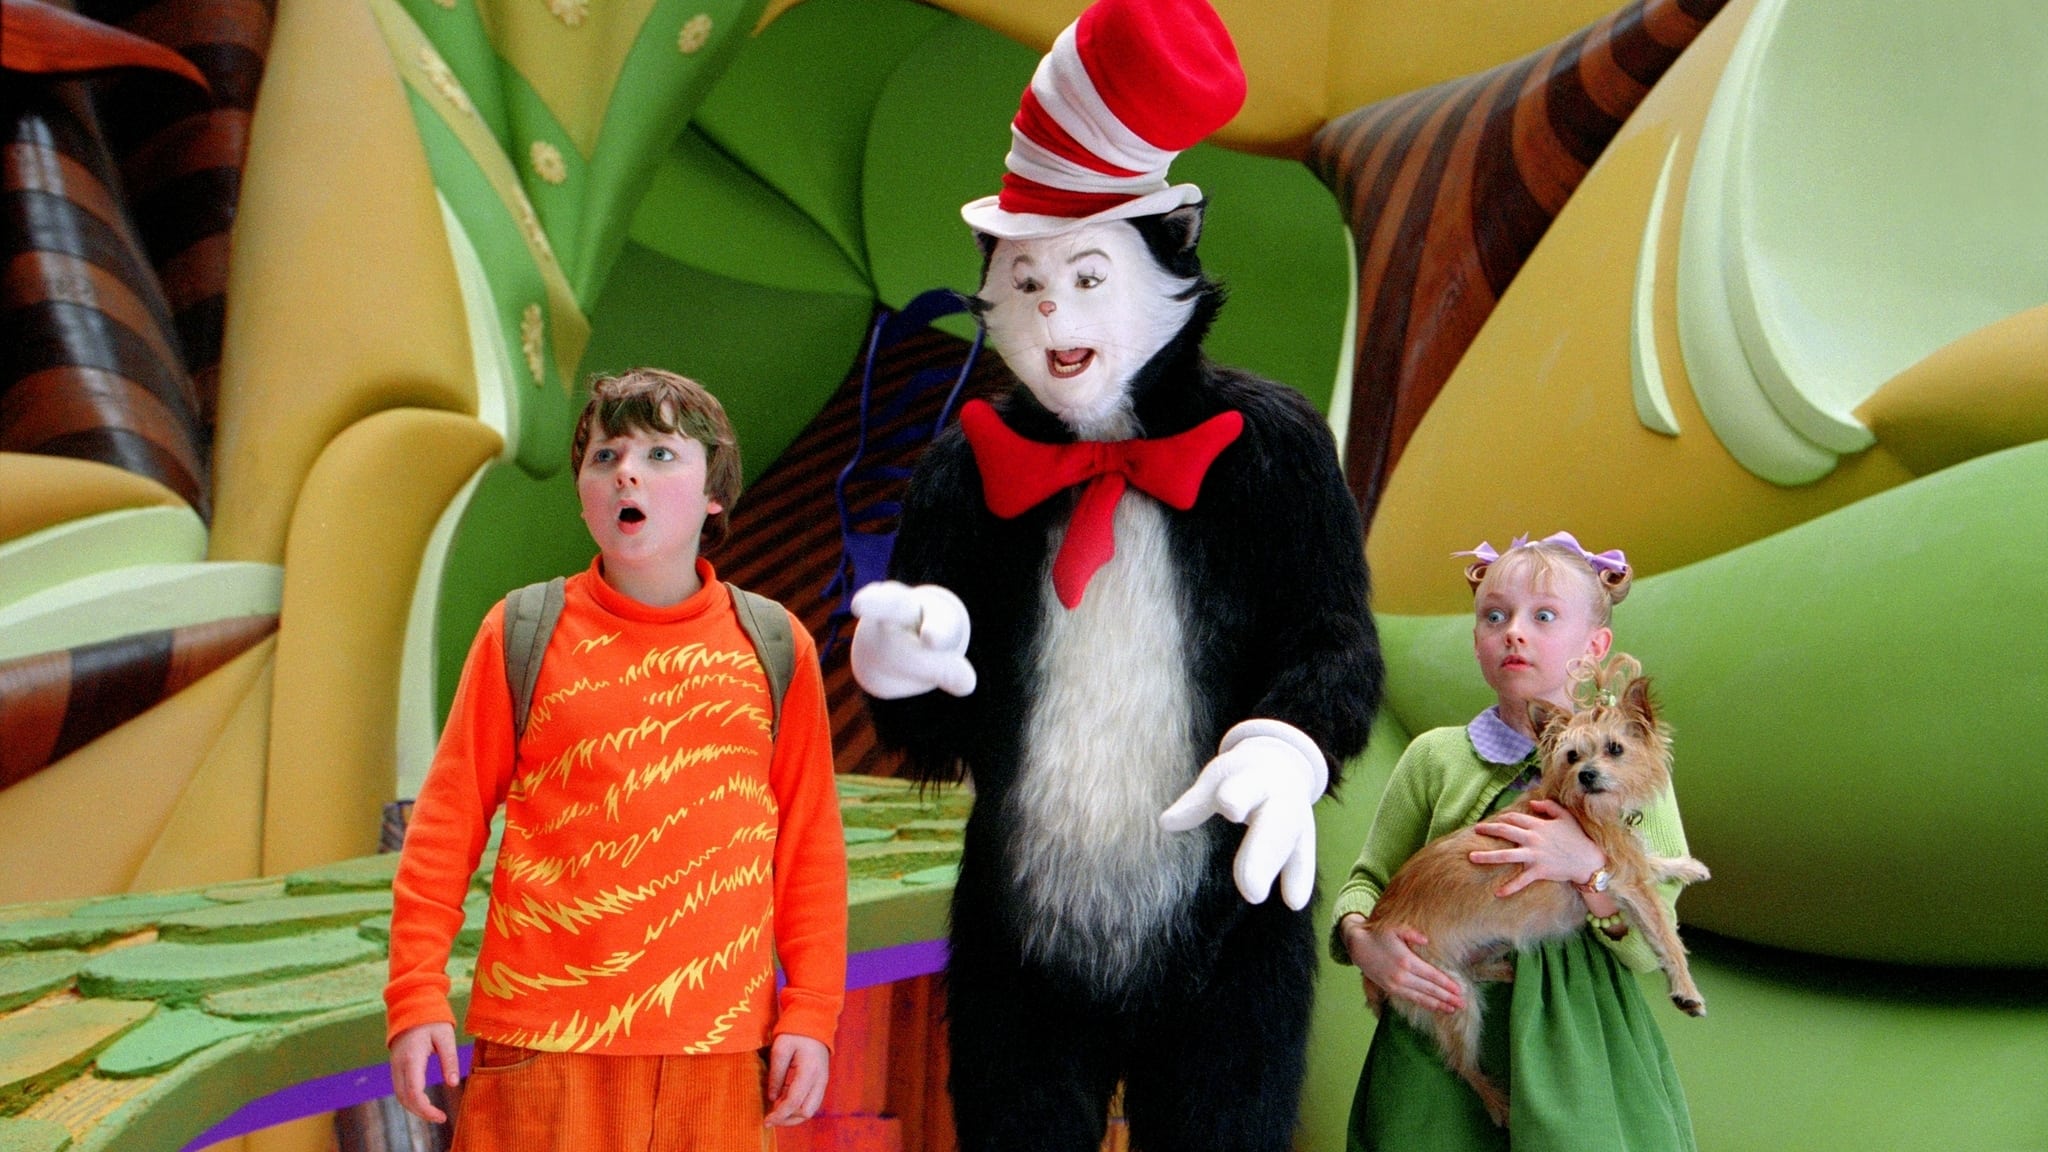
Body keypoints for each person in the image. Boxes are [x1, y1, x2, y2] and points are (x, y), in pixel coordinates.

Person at [384, 368, 847, 1151]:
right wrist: (415, 991)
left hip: (721, 1055)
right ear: (583, 496)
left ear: (715, 494)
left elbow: (811, 851)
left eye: (661, 453)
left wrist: (813, 1010)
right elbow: (444, 827)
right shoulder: (521, 631)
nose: (626, 471)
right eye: (606, 456)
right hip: (541, 1048)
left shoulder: (776, 646)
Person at [1331, 532, 1697, 1151]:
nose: (1514, 633)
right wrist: (1363, 942)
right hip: (1446, 997)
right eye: (1494, 617)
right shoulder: (1436, 757)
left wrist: (1589, 870)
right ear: (1476, 637)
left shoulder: (1631, 771)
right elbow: (1369, 880)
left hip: (1575, 1027)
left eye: (1543, 616)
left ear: (1595, 646)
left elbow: (1645, 949)